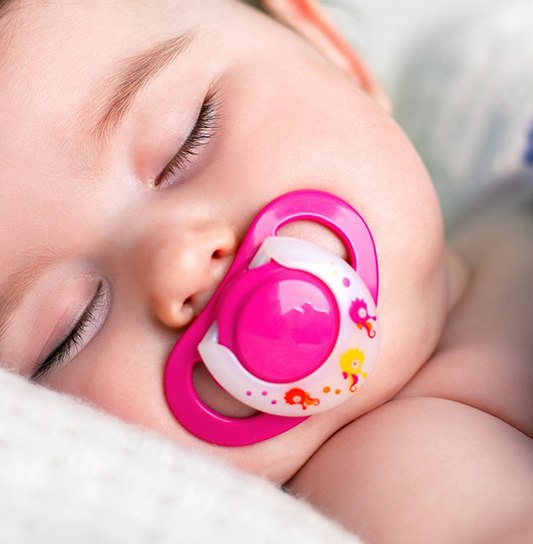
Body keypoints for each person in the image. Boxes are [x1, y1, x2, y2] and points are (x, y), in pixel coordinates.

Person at [0, 0, 531, 541]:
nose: (178, 263)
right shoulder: (400, 471)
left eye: (187, 141)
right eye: (70, 329)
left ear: (331, 51)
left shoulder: (497, 184)